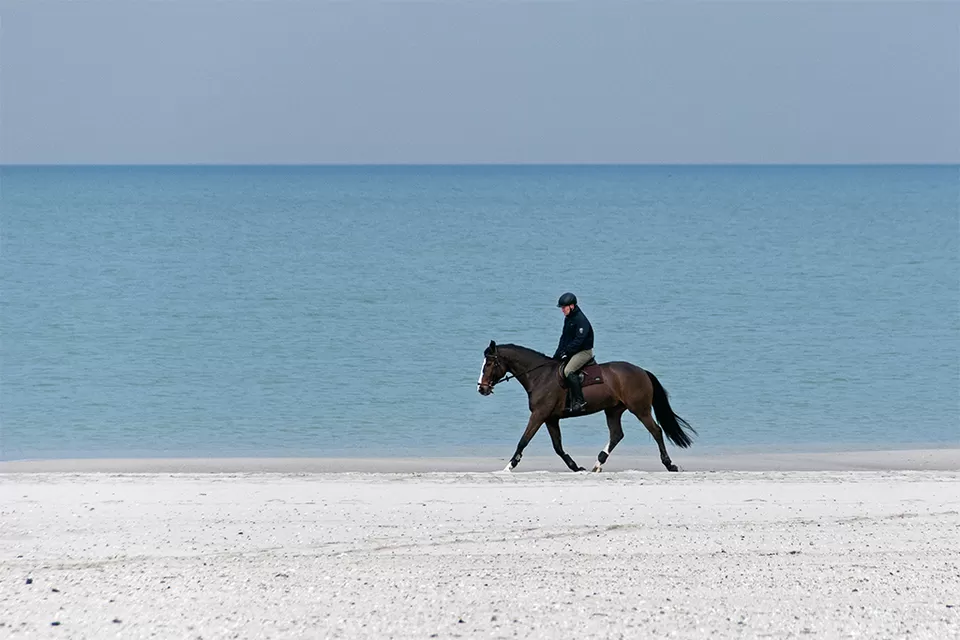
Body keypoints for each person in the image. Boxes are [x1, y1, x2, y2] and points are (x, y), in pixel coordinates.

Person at [552, 292, 594, 412]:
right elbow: (564, 338)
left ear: (572, 306)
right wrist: (557, 354)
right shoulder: (569, 319)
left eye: (564, 307)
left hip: (584, 352)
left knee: (568, 371)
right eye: (562, 308)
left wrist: (567, 352)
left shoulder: (581, 320)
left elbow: (579, 341)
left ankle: (580, 402)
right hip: (573, 351)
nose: (562, 310)